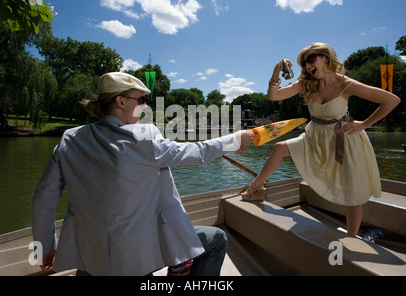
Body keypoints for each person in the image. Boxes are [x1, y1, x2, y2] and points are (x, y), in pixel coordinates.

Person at [31, 72, 254, 276]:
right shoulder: (144, 137)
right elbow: (198, 152)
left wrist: (46, 248)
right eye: (141, 100)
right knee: (217, 239)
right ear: (121, 102)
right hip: (134, 259)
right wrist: (236, 139)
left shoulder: (69, 139)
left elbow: (43, 201)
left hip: (88, 257)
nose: (145, 106)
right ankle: (178, 266)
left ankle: (178, 265)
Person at [241, 42, 400, 236]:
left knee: (353, 192)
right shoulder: (305, 84)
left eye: (311, 59)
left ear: (326, 58)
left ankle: (351, 237)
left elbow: (391, 100)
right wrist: (276, 72)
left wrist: (365, 124)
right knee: (280, 148)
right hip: (315, 136)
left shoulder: (345, 84)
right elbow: (274, 96)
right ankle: (256, 187)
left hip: (345, 139)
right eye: (304, 62)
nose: (307, 66)